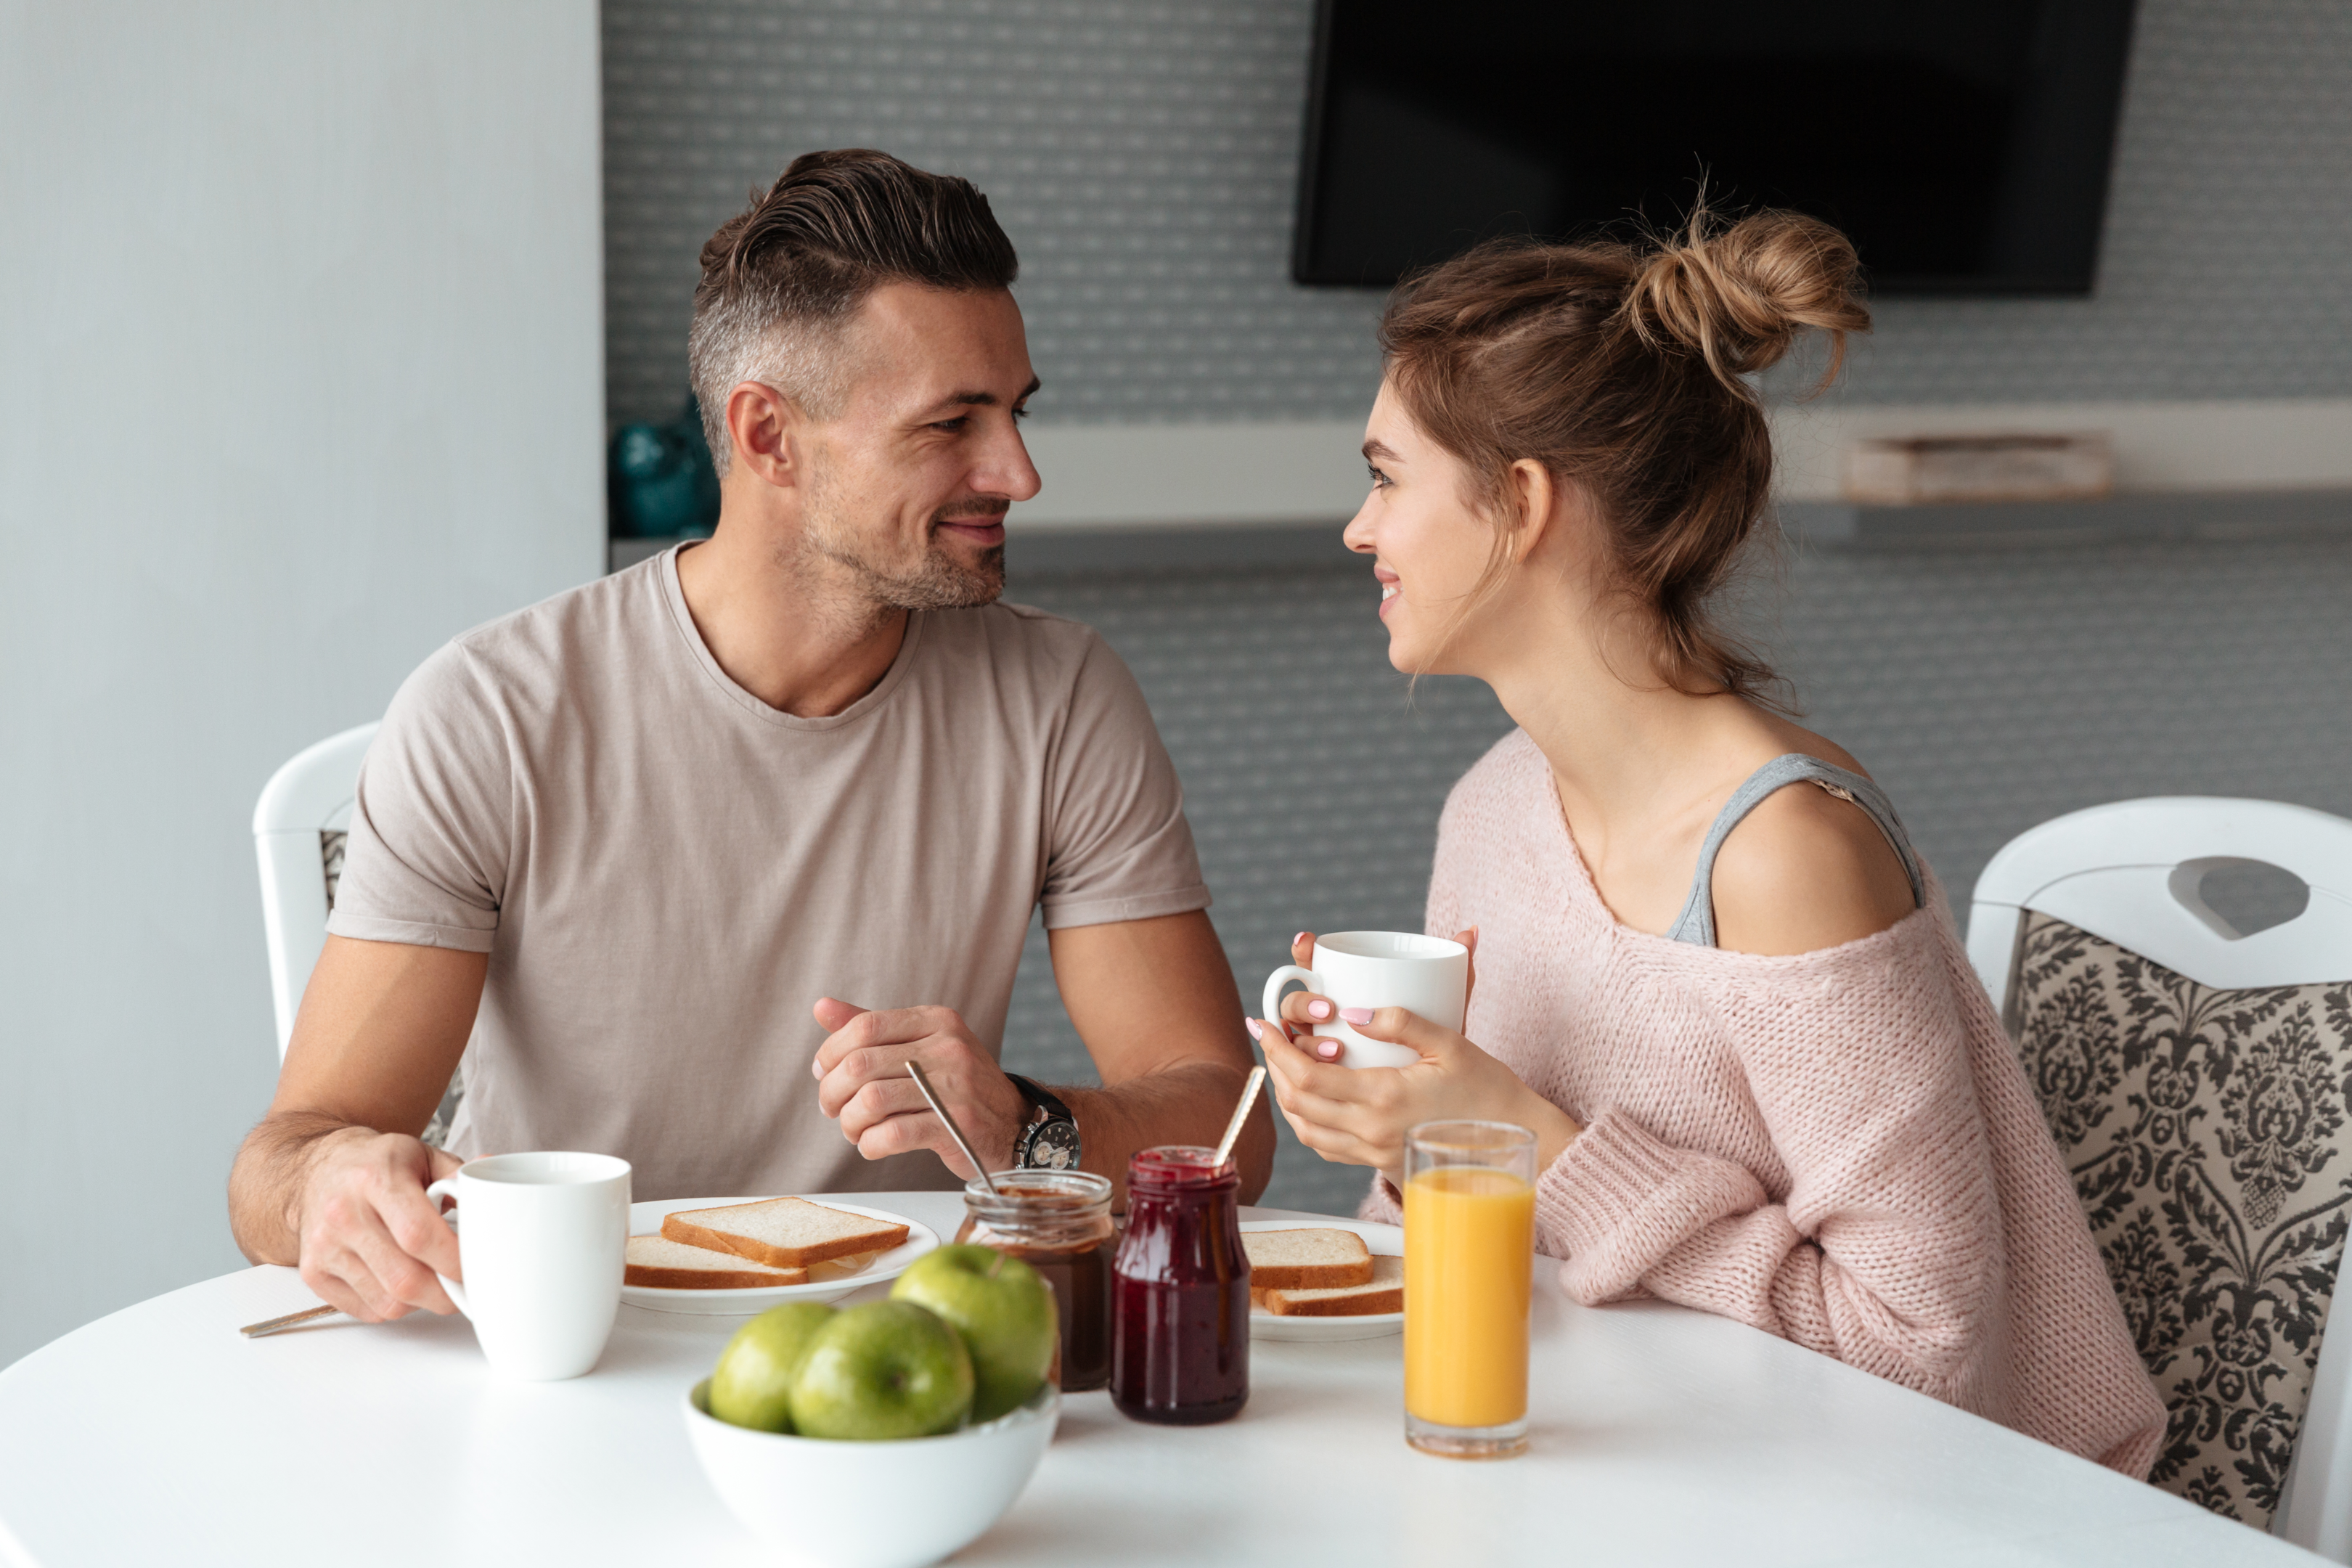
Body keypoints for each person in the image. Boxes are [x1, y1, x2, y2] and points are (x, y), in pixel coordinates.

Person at [228, 149, 1272, 1324]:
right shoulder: (491, 712)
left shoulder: (1064, 698)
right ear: (768, 436)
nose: (1019, 473)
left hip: (898, 1354)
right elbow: (281, 1161)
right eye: (951, 425)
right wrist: (330, 1180)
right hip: (569, 1339)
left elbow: (1226, 1119)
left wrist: (1022, 1120)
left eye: (1016, 413)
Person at [1253, 211, 2168, 1475]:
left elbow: (1919, 1351)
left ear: (1518, 504)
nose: (1360, 530)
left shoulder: (1784, 853)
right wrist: (1401, 1128)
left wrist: (1527, 1137)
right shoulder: (1497, 805)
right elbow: (1493, 1261)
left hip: (1912, 1504)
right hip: (1631, 1457)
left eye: (1386, 475)